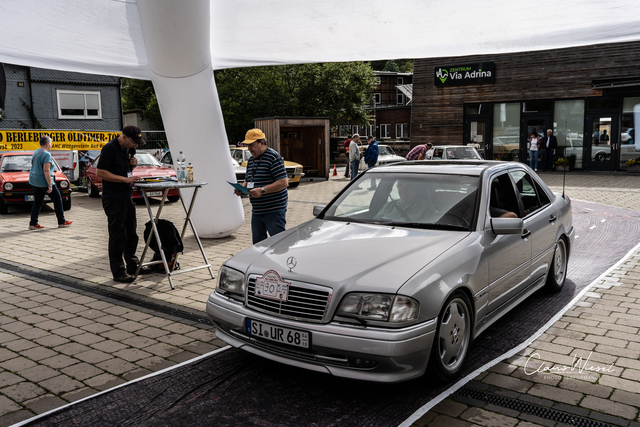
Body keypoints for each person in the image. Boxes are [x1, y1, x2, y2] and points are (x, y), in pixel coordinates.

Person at [96, 125, 150, 283]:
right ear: (124, 137)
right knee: (118, 235)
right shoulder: (109, 149)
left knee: (131, 234)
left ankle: (133, 265)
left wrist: (132, 165)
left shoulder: (128, 149)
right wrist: (126, 179)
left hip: (126, 196)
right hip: (113, 198)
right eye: (134, 142)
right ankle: (118, 271)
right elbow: (101, 173)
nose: (136, 145)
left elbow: (125, 170)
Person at [234, 128, 289, 244]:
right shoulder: (251, 160)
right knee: (258, 245)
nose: (249, 148)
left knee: (279, 243)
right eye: (247, 145)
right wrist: (241, 188)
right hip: (257, 210)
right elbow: (248, 179)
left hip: (274, 210)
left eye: (252, 145)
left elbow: (283, 182)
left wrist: (262, 190)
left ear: (262, 143)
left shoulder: (273, 157)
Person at [28, 135, 73, 230]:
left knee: (38, 202)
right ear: (48, 144)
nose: (51, 146)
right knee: (57, 199)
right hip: (43, 181)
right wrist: (50, 185)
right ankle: (62, 221)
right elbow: (46, 171)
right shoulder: (46, 154)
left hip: (34, 181)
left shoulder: (36, 152)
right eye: (51, 144)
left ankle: (33, 223)